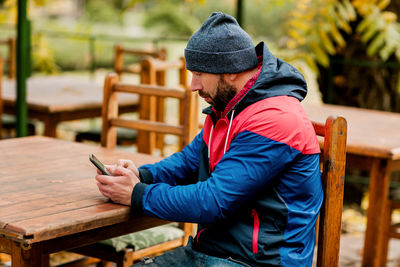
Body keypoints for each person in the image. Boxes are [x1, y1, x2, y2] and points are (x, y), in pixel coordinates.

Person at [96, 12, 322, 267]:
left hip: (258, 262)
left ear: (231, 71)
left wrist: (138, 195)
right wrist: (142, 176)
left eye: (200, 74)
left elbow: (213, 201)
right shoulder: (228, 110)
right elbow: (187, 162)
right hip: (213, 252)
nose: (193, 85)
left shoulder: (276, 119)